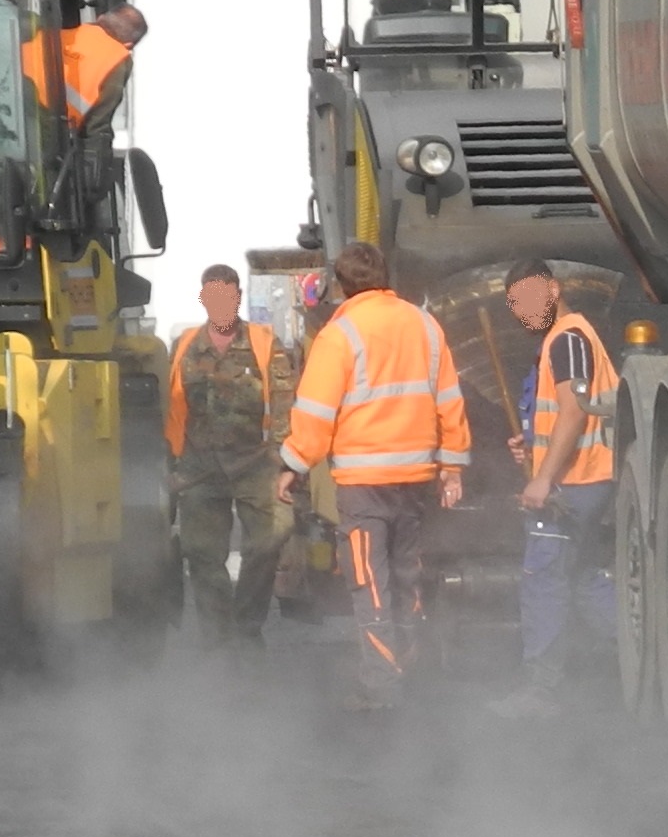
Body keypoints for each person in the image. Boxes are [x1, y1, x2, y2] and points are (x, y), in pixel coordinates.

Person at [277, 239, 464, 709]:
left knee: (370, 582)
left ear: (342, 286)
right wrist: (453, 465)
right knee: (406, 576)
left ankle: (381, 685)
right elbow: (449, 400)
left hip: (364, 485)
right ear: (384, 277)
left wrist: (293, 465)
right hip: (415, 479)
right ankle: (413, 670)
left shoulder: (340, 335)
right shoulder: (425, 325)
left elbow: (316, 413)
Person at [496, 259, 620, 712]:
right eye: (514, 305)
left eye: (527, 297)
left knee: (543, 578)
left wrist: (543, 478)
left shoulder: (566, 338)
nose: (522, 311)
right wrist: (530, 445)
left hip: (574, 483)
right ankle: (636, 658)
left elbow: (573, 411)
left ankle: (541, 689)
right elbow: (559, 416)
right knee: (585, 578)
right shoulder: (570, 337)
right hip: (590, 478)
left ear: (552, 288)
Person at [165, 264, 293, 642]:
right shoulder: (186, 345)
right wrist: (171, 461)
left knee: (273, 536)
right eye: (213, 297)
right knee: (202, 554)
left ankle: (246, 623)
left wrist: (288, 461)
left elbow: (287, 402)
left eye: (228, 297)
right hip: (199, 466)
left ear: (238, 298)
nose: (221, 305)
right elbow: (171, 403)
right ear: (204, 299)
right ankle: (217, 639)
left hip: (256, 462)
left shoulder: (265, 344)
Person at [24, 3, 146, 131]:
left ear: (100, 19)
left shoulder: (44, 32)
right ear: (128, 45)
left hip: (10, 104)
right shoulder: (117, 60)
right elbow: (97, 127)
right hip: (43, 133)